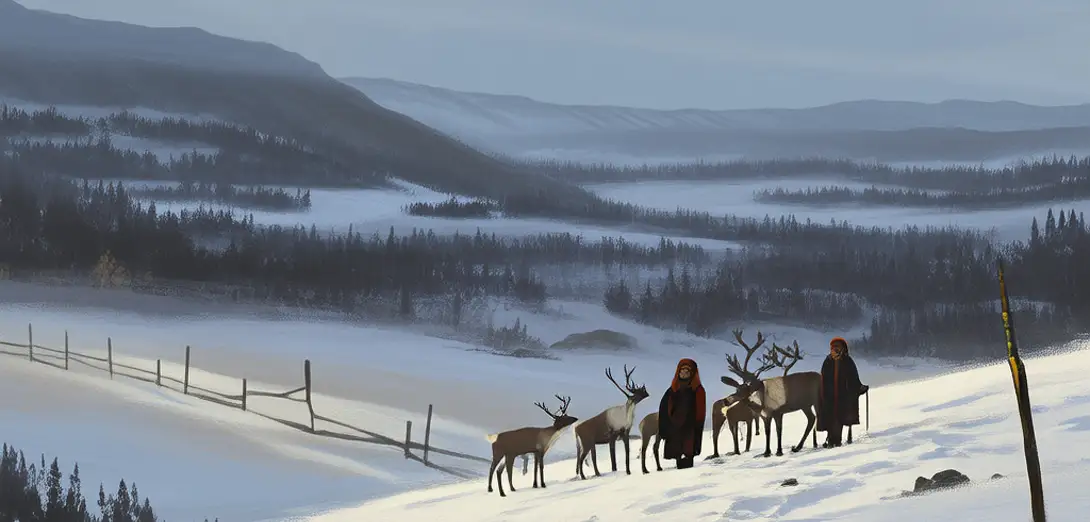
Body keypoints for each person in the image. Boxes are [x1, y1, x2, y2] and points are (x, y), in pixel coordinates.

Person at [817, 337, 869, 448]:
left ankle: (835, 441)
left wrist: (859, 388)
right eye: (833, 347)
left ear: (843, 348)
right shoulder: (828, 361)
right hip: (829, 398)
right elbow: (823, 379)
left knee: (839, 419)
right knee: (831, 418)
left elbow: (854, 378)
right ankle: (832, 439)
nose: (835, 349)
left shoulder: (847, 361)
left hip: (843, 398)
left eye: (837, 347)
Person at [657, 358, 706, 469]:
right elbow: (664, 408)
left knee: (688, 454)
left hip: (689, 427)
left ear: (692, 373)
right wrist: (664, 427)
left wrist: (697, 425)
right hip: (675, 427)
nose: (683, 374)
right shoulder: (673, 389)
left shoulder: (697, 390)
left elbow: (700, 411)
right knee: (677, 453)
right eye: (681, 371)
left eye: (687, 371)